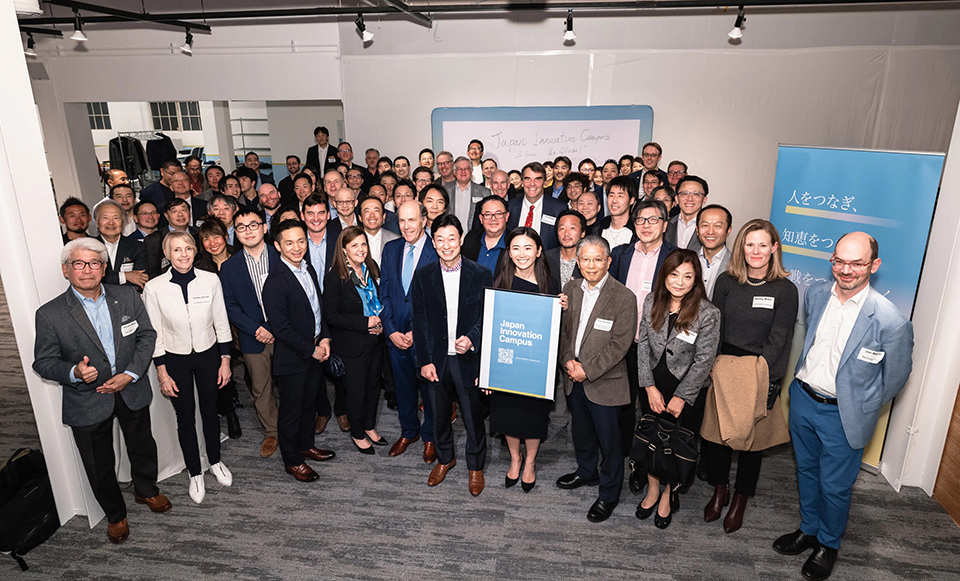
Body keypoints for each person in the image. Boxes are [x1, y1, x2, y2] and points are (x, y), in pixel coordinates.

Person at [774, 232, 913, 581]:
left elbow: (895, 378)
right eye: (840, 261)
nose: (846, 270)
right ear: (831, 260)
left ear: (874, 265)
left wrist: (859, 406)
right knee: (805, 471)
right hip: (804, 400)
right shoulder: (817, 294)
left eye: (857, 263)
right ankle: (808, 529)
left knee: (835, 486)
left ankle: (828, 544)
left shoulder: (891, 321)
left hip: (843, 414)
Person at [33, 238, 169, 544]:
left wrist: (131, 374)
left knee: (143, 446)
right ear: (66, 270)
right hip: (87, 399)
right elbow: (43, 362)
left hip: (130, 389)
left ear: (104, 267)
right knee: (99, 462)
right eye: (78, 264)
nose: (87, 270)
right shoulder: (50, 314)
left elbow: (147, 335)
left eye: (94, 263)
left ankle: (146, 489)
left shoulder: (127, 296)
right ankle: (115, 514)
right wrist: (74, 372)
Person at [701, 219, 799, 534]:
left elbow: (779, 339)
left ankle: (741, 497)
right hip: (724, 367)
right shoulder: (727, 282)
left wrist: (763, 379)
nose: (755, 251)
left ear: (774, 248)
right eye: (749, 244)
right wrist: (712, 368)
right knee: (717, 438)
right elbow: (714, 328)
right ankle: (720, 489)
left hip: (760, 370)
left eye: (762, 244)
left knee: (752, 443)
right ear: (741, 247)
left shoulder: (786, 289)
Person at [142, 232, 234, 504]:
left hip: (208, 354)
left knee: (209, 411)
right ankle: (195, 472)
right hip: (175, 358)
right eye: (176, 250)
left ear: (195, 251)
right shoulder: (155, 288)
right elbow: (154, 332)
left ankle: (215, 461)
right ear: (167, 254)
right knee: (185, 418)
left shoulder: (211, 280)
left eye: (188, 248)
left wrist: (226, 360)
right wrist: (161, 370)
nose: (183, 254)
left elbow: (222, 321)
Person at [634, 249, 720, 529]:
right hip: (653, 386)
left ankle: (668, 496)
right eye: (674, 275)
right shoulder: (651, 301)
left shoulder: (708, 313)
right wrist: (648, 386)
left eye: (687, 276)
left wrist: (682, 397)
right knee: (651, 441)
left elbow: (704, 360)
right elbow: (643, 345)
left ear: (696, 281)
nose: (679, 282)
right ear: (665, 276)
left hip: (686, 390)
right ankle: (652, 489)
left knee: (676, 445)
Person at [556, 236, 638, 523]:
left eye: (597, 259)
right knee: (582, 433)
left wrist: (586, 370)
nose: (591, 265)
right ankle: (586, 471)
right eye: (585, 259)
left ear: (608, 262)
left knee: (610, 443)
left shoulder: (624, 297)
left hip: (605, 382)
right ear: (577, 262)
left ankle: (609, 494)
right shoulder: (570, 288)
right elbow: (565, 331)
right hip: (572, 375)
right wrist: (568, 360)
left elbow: (620, 345)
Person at [411, 214, 492, 496]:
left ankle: (475, 466)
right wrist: (424, 361)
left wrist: (472, 339)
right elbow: (418, 320)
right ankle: (446, 459)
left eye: (452, 238)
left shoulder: (481, 273)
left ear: (461, 239)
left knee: (472, 418)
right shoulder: (423, 276)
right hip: (436, 360)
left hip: (466, 359)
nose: (447, 245)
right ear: (434, 243)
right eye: (440, 239)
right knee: (439, 415)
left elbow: (486, 316)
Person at [262, 220, 338, 482]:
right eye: (289, 243)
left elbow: (318, 310)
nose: (296, 247)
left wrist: (325, 339)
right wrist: (312, 350)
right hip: (294, 357)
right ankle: (292, 460)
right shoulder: (275, 281)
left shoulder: (309, 270)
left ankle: (306, 445)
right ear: (277, 246)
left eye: (300, 241)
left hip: (316, 349)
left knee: (309, 406)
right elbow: (281, 329)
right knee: (291, 411)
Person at [488, 227, 561, 492]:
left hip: (535, 367)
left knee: (532, 417)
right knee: (508, 415)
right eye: (516, 248)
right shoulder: (499, 282)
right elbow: (492, 329)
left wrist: (561, 307)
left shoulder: (550, 285)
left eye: (528, 248)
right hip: (507, 366)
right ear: (509, 252)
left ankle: (530, 461)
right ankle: (515, 459)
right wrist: (488, 371)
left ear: (539, 251)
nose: (522, 254)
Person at [609, 199, 677, 455]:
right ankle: (624, 452)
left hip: (658, 346)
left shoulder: (675, 257)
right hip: (623, 343)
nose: (646, 225)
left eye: (653, 220)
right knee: (623, 403)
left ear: (664, 224)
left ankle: (650, 458)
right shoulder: (619, 254)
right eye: (640, 220)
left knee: (654, 407)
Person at [220, 208, 283, 458]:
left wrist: (274, 327)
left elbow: (294, 297)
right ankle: (273, 431)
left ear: (265, 228)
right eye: (241, 227)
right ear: (235, 233)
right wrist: (257, 329)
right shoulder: (229, 267)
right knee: (261, 386)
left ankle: (293, 424)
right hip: (251, 336)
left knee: (291, 382)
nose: (248, 231)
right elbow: (230, 306)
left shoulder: (282, 256)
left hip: (284, 332)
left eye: (253, 225)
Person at [381, 201, 440, 460]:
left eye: (412, 220)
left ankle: (430, 437)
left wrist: (417, 331)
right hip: (396, 336)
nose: (406, 226)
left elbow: (440, 299)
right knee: (403, 388)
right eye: (402, 221)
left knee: (430, 391)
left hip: (425, 337)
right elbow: (383, 293)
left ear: (424, 221)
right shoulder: (390, 249)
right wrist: (391, 330)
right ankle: (409, 431)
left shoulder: (437, 250)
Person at [324, 226, 388, 454]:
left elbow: (379, 301)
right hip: (351, 344)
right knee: (356, 391)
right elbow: (331, 316)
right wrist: (365, 323)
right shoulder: (335, 278)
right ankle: (358, 432)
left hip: (374, 341)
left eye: (363, 244)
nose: (361, 249)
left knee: (373, 387)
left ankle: (369, 426)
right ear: (343, 250)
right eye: (354, 246)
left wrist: (380, 325)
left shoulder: (371, 267)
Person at [300, 194, 349, 433]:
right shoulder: (298, 241)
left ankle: (342, 409)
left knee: (338, 359)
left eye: (321, 213)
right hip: (308, 311)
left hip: (337, 308)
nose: (316, 218)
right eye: (310, 213)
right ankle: (323, 410)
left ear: (328, 215)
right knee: (313, 363)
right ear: (303, 216)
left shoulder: (339, 238)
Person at [193, 218, 242, 440]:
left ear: (225, 236)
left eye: (216, 236)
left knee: (254, 371)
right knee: (222, 371)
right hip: (215, 328)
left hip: (242, 323)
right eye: (206, 238)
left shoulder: (240, 258)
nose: (212, 242)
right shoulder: (199, 268)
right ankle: (230, 413)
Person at [506, 162, 567, 250]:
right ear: (522, 181)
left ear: (544, 182)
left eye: (537, 179)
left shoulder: (559, 209)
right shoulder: (509, 207)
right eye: (528, 179)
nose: (532, 184)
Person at [93, 199, 148, 290]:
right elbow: (91, 278)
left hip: (128, 300)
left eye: (116, 218)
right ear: (97, 222)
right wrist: (123, 276)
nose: (111, 222)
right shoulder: (88, 248)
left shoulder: (137, 247)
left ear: (123, 222)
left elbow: (140, 280)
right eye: (105, 218)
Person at [143, 198, 198, 279]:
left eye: (184, 210)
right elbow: (151, 271)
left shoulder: (200, 234)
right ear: (166, 215)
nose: (180, 214)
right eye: (174, 211)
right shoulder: (153, 239)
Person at [461, 195, 509, 274]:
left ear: (506, 217)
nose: (493, 218)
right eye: (487, 214)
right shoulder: (471, 238)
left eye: (498, 213)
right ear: (481, 219)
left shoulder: (514, 243)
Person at [697, 204, 733, 300]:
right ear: (697, 229)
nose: (710, 231)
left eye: (717, 226)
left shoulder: (737, 264)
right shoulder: (685, 261)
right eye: (705, 225)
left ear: (728, 231)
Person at [444, 156, 491, 228]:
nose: (463, 171)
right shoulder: (445, 190)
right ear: (454, 172)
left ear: (471, 171)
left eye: (466, 168)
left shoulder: (484, 192)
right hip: (450, 235)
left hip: (474, 236)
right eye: (459, 169)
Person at [666, 176, 708, 251]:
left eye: (696, 194)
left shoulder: (711, 228)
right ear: (676, 199)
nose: (689, 199)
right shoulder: (665, 225)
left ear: (704, 200)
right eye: (684, 193)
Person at [546, 209, 585, 291]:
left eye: (572, 228)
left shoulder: (589, 260)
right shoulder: (546, 258)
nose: (566, 233)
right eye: (562, 228)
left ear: (582, 233)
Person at [598, 176, 638, 250]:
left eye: (620, 196)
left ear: (631, 200)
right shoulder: (599, 227)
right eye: (611, 195)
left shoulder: (637, 230)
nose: (614, 200)